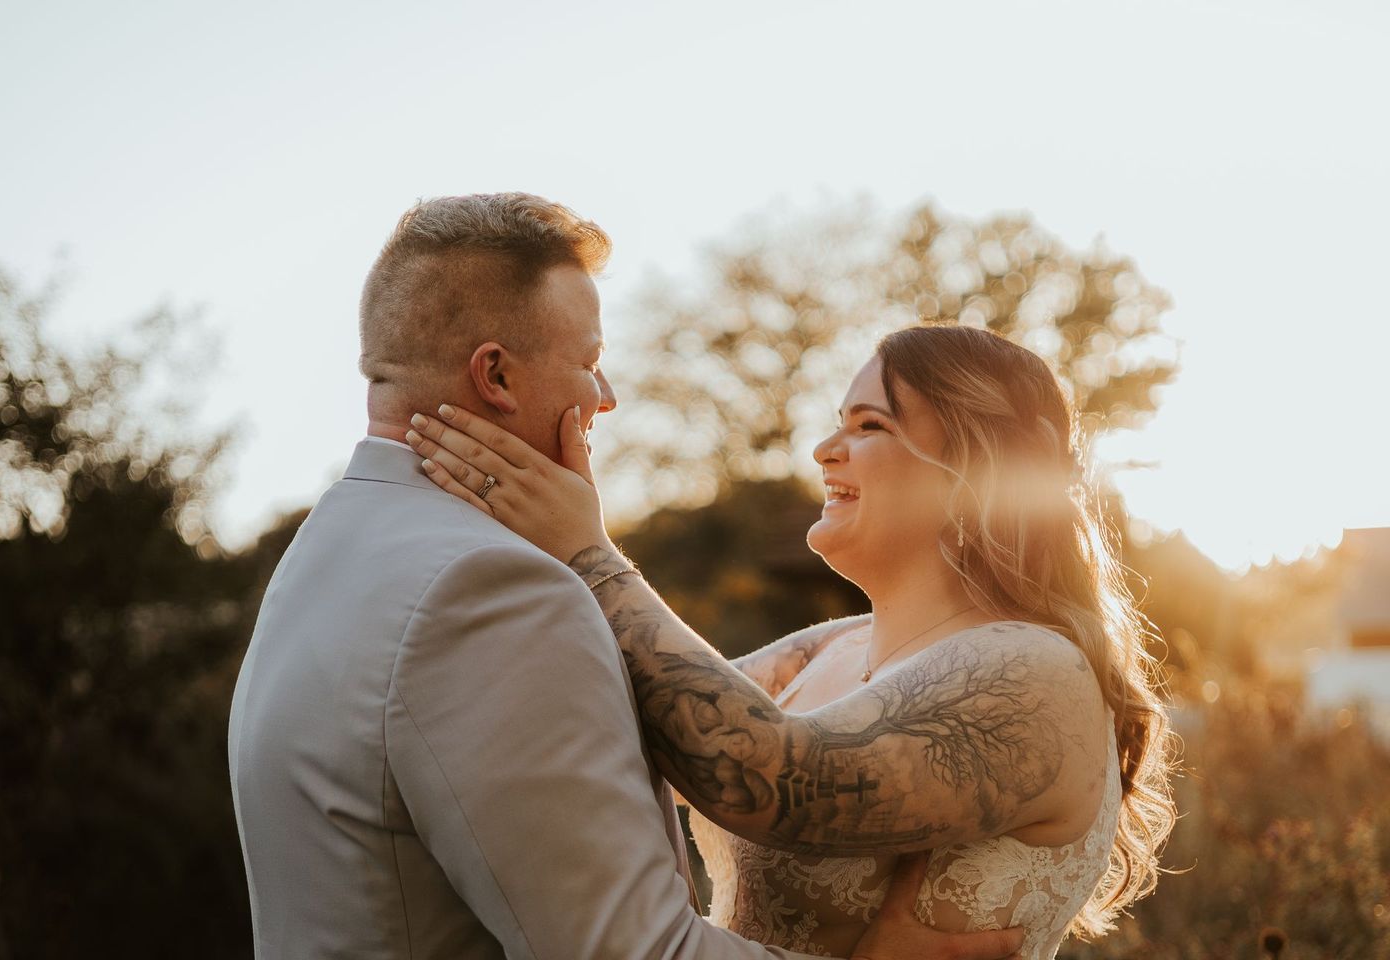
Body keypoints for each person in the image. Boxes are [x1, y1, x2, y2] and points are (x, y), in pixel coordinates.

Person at [228, 193, 1025, 959]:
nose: (605, 398)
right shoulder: (492, 590)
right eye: (590, 362)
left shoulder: (321, 557)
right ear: (496, 377)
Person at [403, 323, 1177, 959]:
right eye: (840, 422)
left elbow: (770, 774)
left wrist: (590, 556)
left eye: (870, 426)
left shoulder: (1039, 674)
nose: (824, 451)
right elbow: (620, 713)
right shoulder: (826, 649)